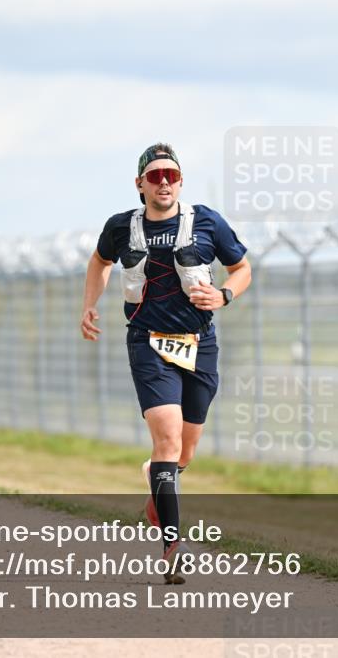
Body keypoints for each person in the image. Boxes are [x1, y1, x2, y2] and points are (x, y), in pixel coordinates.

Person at [80, 143, 252, 584]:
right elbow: (99, 261)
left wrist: (225, 294)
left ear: (180, 182)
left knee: (184, 452)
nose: (163, 182)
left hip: (200, 344)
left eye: (170, 175)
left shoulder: (207, 222)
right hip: (147, 343)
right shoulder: (121, 227)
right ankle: (173, 548)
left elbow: (242, 268)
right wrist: (90, 305)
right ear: (139, 184)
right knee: (168, 441)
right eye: (154, 176)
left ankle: (158, 485)